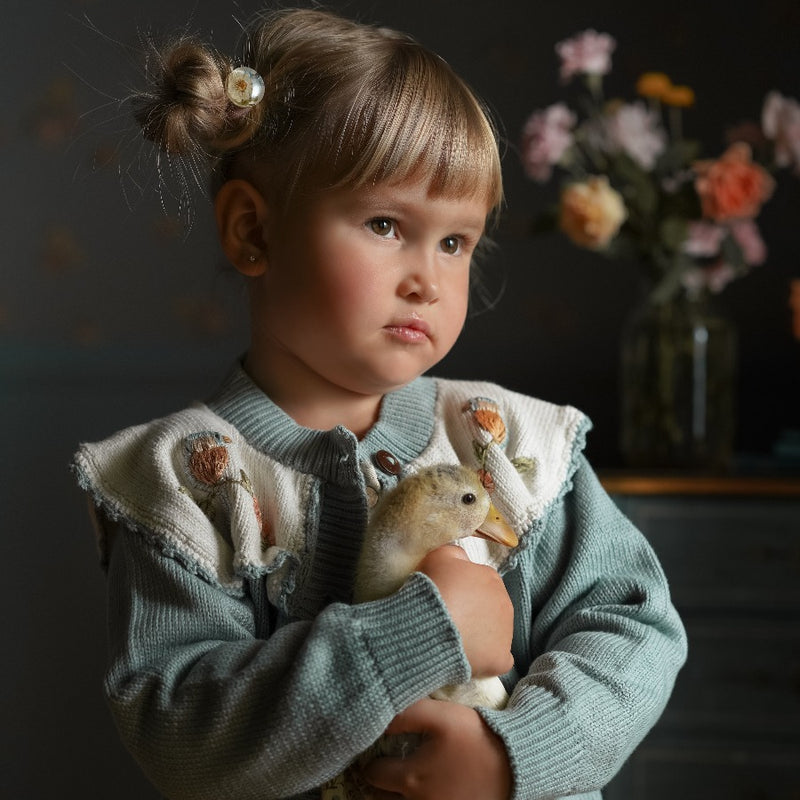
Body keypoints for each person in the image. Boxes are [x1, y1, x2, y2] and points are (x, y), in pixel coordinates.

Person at [72, 7, 687, 800]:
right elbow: (180, 726)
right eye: (387, 223)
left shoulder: (503, 446)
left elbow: (634, 625)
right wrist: (419, 636)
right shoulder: (184, 484)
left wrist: (510, 755)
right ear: (254, 231)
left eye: (456, 241)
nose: (428, 279)